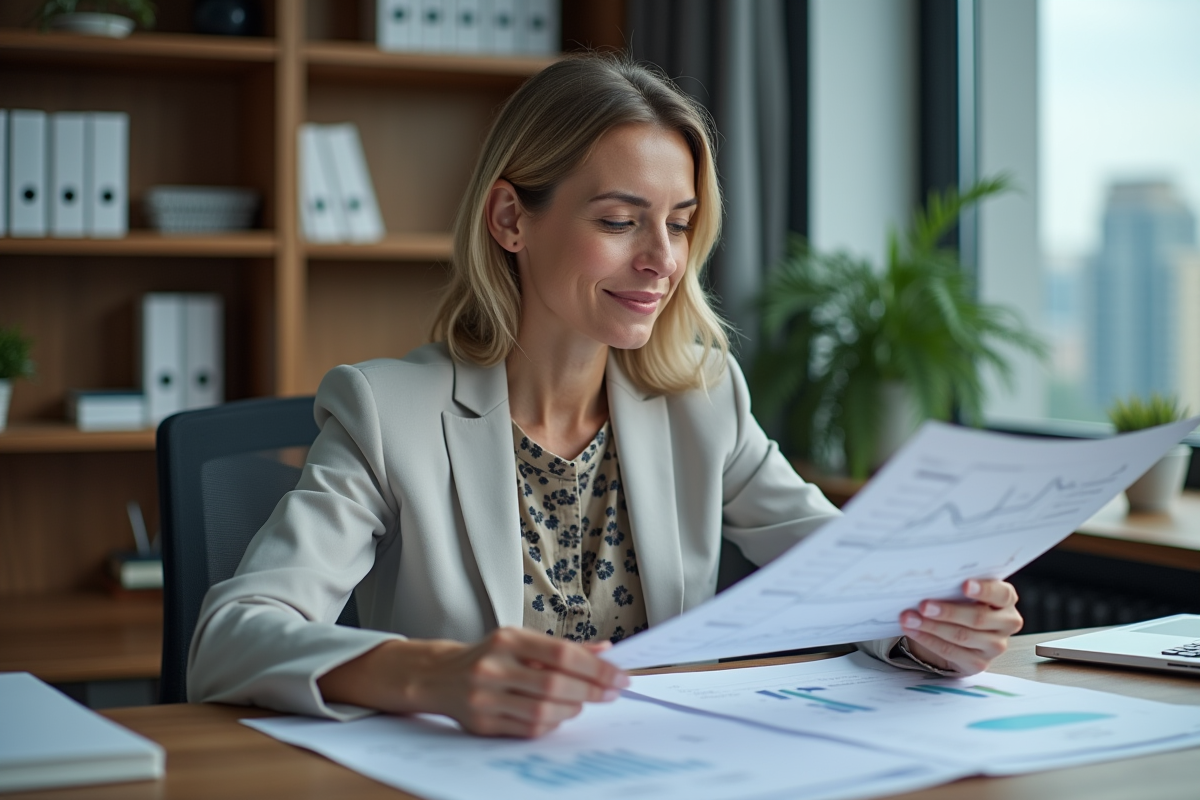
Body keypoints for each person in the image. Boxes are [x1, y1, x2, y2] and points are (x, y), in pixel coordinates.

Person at [189, 54, 1023, 738]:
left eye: (681, 221)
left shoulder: (704, 398)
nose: (663, 260)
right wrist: (431, 674)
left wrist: (929, 628)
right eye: (621, 221)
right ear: (512, 220)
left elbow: (852, 579)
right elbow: (229, 639)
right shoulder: (386, 413)